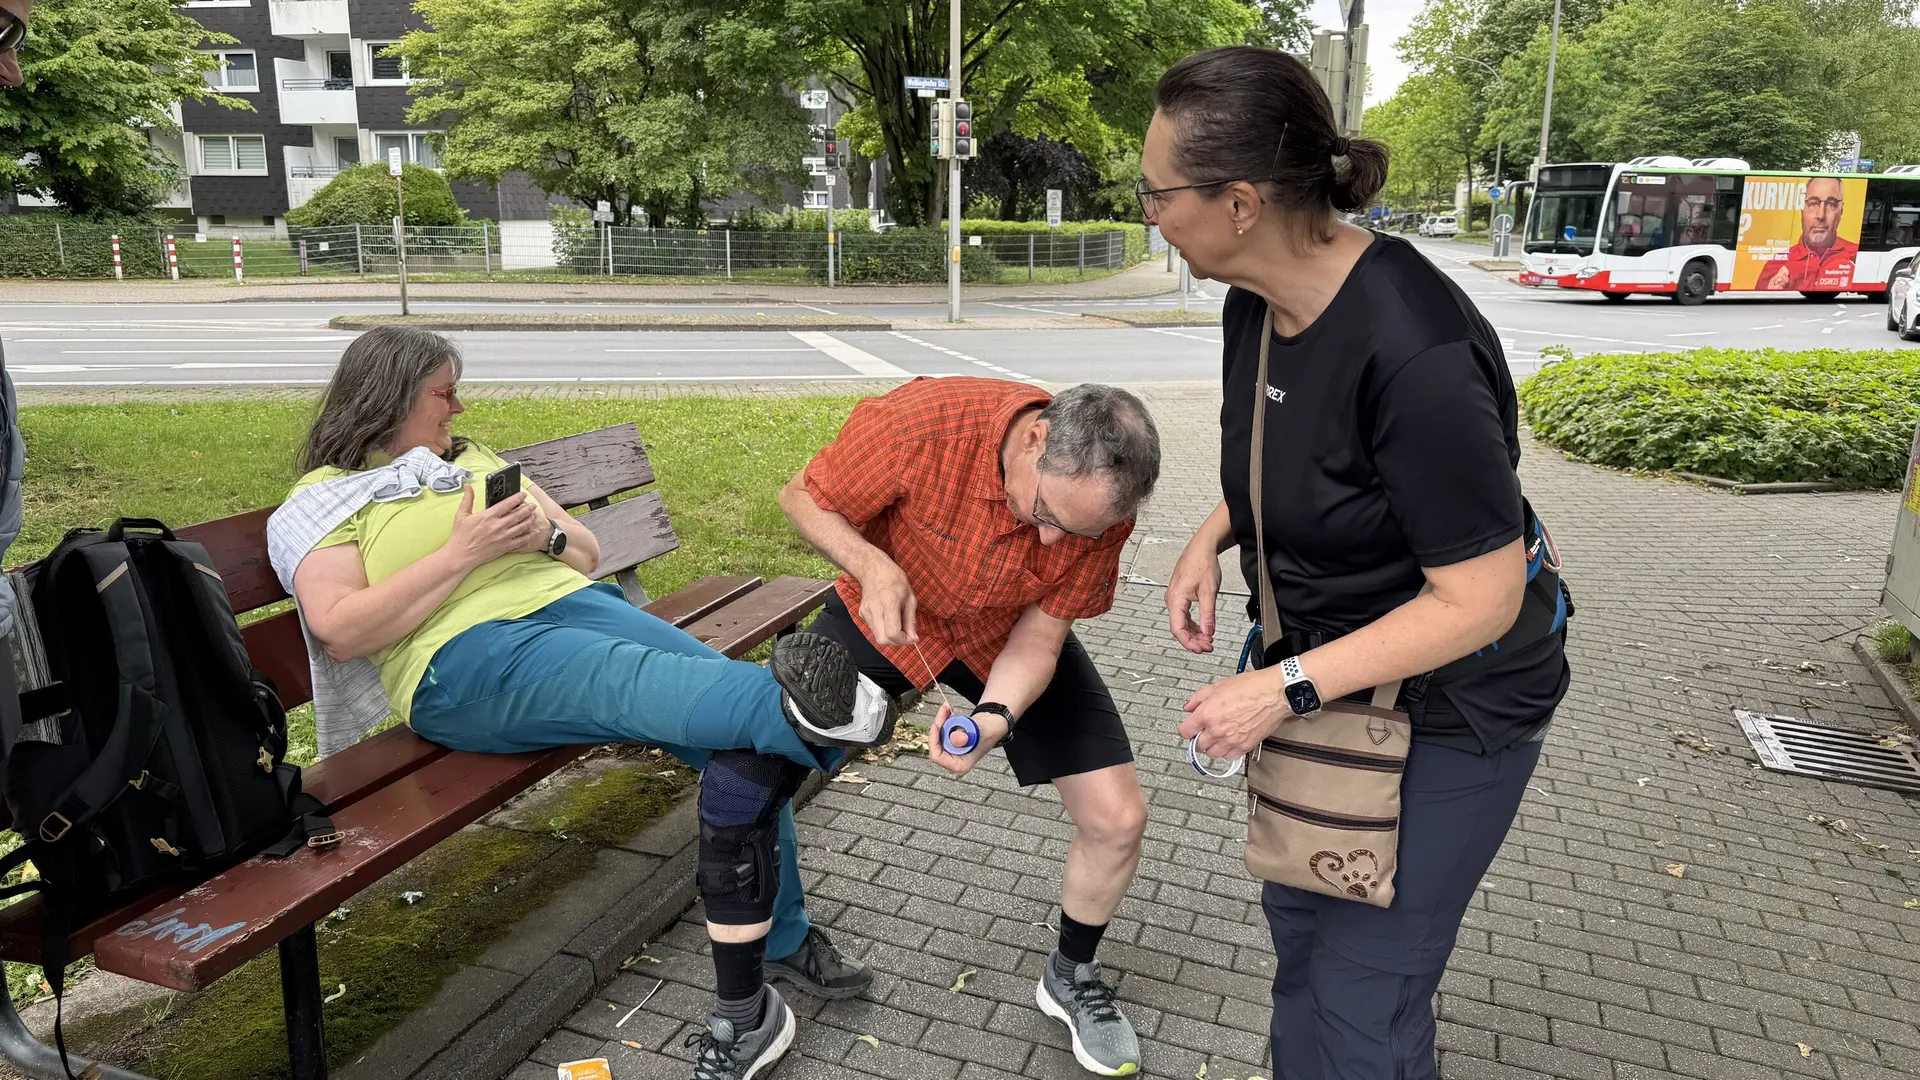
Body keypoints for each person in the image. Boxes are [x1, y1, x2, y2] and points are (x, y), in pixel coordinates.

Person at [272, 327, 898, 1080]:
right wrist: (461, 553)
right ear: (392, 395)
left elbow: (588, 553)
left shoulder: (474, 461)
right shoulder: (324, 499)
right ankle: (834, 710)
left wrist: (541, 537)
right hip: (462, 660)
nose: (459, 406)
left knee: (748, 748)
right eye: (445, 393)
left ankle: (784, 930)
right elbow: (341, 631)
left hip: (575, 604)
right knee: (627, 681)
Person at [1144, 46, 1571, 1078]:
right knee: (1303, 942)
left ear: (1240, 203)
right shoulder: (1256, 299)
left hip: (1456, 706)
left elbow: (1482, 591)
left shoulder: (1414, 352)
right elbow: (1300, 456)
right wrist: (1213, 536)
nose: (1148, 214)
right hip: (1325, 684)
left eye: (1156, 193)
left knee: (1365, 996)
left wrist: (1277, 690)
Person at [779, 377, 1160, 1078]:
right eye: (1045, 508)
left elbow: (1041, 640)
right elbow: (801, 496)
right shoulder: (921, 425)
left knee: (1119, 818)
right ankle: (772, 947)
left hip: (1003, 632)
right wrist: (872, 562)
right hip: (891, 610)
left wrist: (996, 716)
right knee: (759, 760)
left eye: (1071, 531)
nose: (1049, 535)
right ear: (1037, 435)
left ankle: (1069, 977)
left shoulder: (1102, 512)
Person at [1757, 177, 1857, 291]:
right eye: (1813, 204)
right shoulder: (1777, 264)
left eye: (1831, 205)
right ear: (1802, 211)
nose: (1820, 215)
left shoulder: (1856, 256)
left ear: (1841, 212)